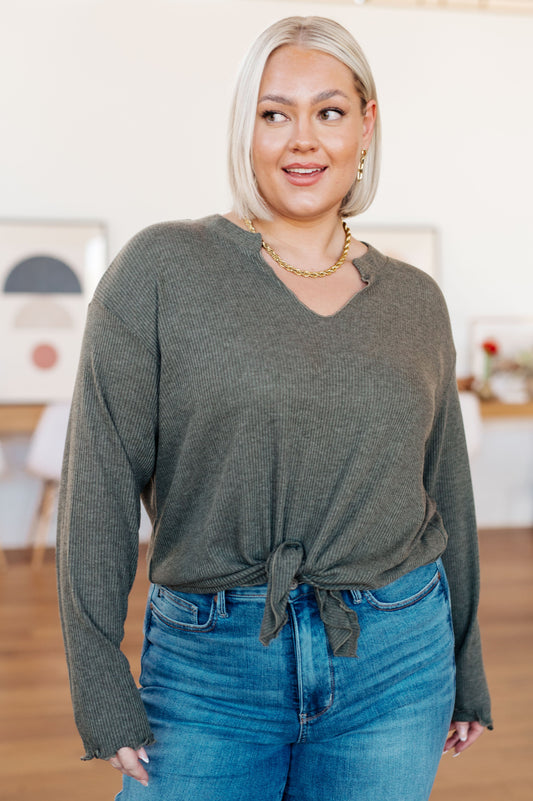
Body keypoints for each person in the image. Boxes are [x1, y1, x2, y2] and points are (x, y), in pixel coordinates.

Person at [57, 16, 492, 801]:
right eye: (273, 112)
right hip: (209, 662)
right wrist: (98, 680)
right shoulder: (161, 270)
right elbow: (99, 487)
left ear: (366, 127)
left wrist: (466, 665)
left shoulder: (415, 301)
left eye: (327, 111)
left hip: (394, 657)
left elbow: (445, 489)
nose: (302, 139)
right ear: (244, 128)